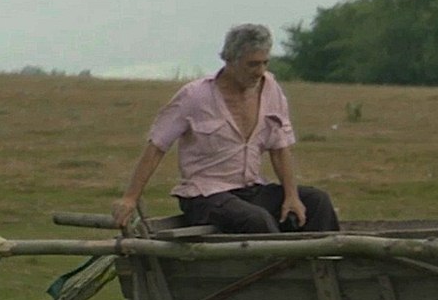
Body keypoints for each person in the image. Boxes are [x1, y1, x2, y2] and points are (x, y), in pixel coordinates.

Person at [112, 23, 339, 235]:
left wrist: (291, 196)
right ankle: (279, 266)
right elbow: (156, 147)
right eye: (252, 64)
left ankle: (325, 262)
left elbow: (280, 150)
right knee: (256, 220)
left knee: (317, 201)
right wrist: (130, 198)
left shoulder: (271, 90)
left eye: (265, 63)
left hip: (250, 190)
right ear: (230, 60)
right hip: (205, 195)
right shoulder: (194, 96)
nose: (260, 71)